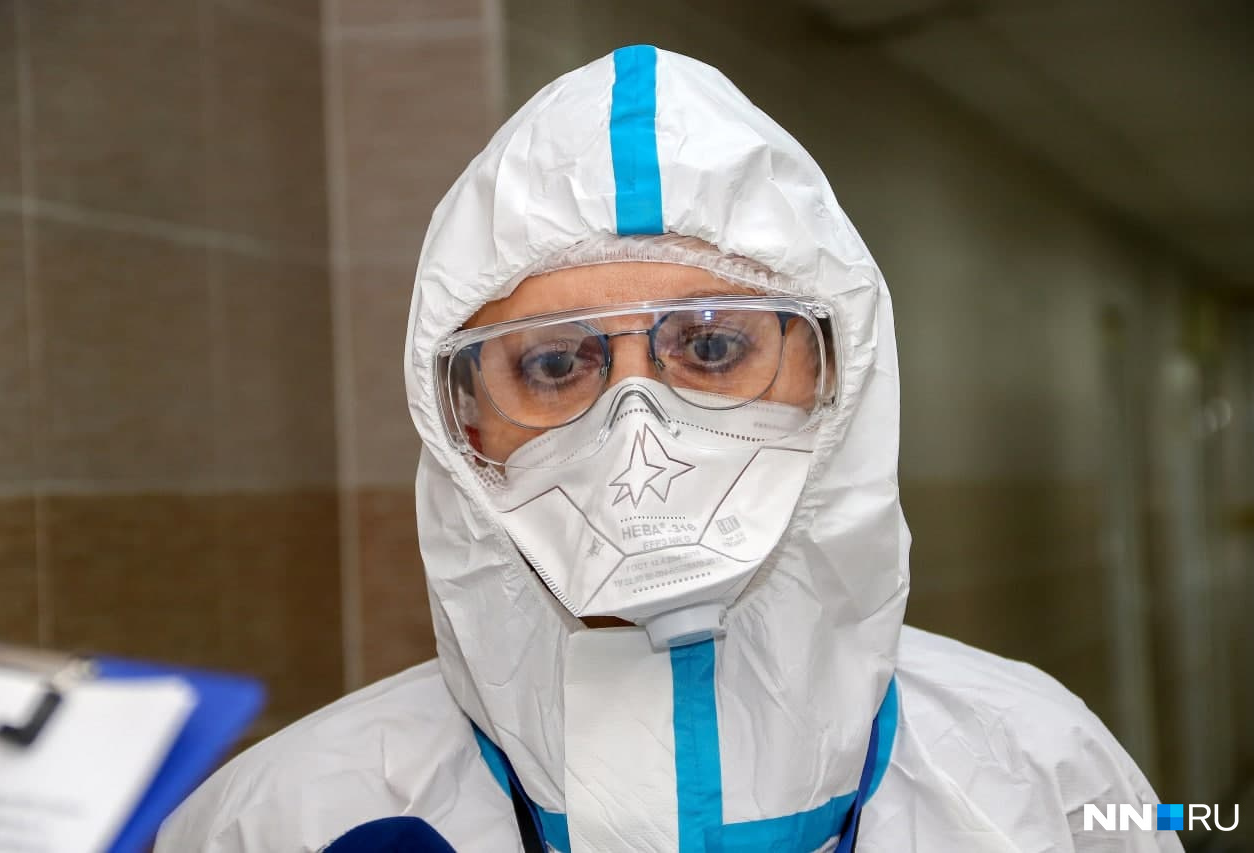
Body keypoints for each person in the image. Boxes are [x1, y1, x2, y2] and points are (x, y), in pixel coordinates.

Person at [157, 46, 1180, 852]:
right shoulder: (285, 820)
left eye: (714, 347)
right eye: (555, 364)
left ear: (834, 380)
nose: (637, 430)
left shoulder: (1041, 775)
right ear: (462, 424)